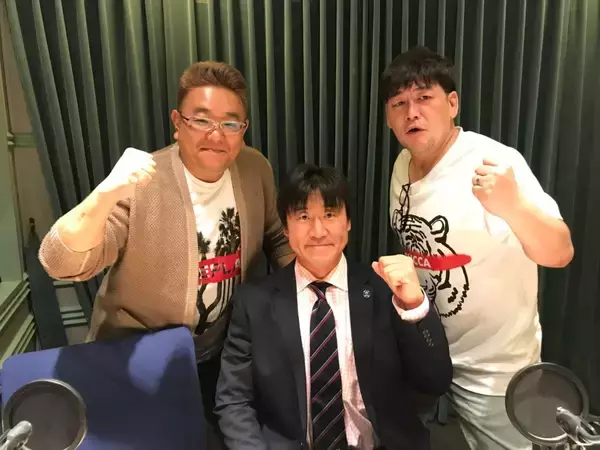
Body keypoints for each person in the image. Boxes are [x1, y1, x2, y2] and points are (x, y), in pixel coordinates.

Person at [38, 61, 294, 449]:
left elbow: (277, 236)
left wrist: (312, 295)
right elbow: (61, 261)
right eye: (201, 120)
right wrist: (105, 193)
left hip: (221, 352)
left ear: (242, 130)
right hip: (139, 356)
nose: (216, 135)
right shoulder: (144, 181)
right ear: (177, 122)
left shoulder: (254, 168)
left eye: (230, 123)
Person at [380, 46, 575, 449]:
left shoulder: (493, 162)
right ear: (388, 117)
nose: (412, 112)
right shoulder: (401, 166)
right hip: (428, 352)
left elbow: (560, 252)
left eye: (424, 97)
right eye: (399, 103)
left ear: (452, 103)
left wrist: (513, 206)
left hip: (494, 371)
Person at [214, 164, 453, 450]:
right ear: (286, 227)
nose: (318, 231)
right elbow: (234, 400)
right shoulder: (254, 302)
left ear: (348, 222)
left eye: (329, 214)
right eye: (304, 217)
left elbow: (435, 381)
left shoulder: (385, 290)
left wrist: (414, 305)